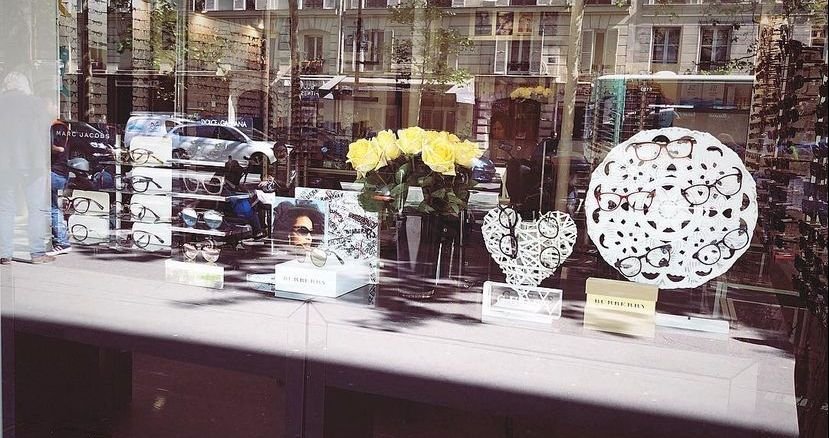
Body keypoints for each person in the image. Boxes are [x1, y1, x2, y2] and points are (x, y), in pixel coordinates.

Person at [0, 70, 55, 264]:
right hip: (33, 163)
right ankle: (37, 253)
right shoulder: (36, 104)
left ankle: (4, 253)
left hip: (5, 164)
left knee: (5, 209)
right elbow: (45, 133)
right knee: (36, 208)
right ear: (25, 86)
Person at [46, 120, 72, 256]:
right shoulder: (58, 127)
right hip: (57, 173)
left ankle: (61, 241)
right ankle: (59, 240)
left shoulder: (57, 127)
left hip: (55, 172)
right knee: (52, 208)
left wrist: (43, 147)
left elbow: (60, 148)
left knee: (53, 208)